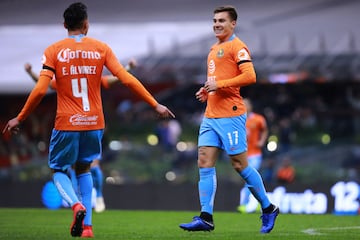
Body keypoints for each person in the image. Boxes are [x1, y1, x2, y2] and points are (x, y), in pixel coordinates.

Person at [3, 2, 174, 238]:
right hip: (95, 123)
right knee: (84, 168)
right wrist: (155, 104)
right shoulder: (101, 48)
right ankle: (88, 228)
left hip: (67, 123)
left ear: (64, 25)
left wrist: (20, 117)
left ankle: (76, 205)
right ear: (86, 24)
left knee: (58, 169)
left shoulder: (54, 50)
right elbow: (126, 79)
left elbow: (41, 90)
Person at [179, 5, 279, 234]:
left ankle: (269, 208)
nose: (216, 24)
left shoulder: (238, 47)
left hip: (231, 115)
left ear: (233, 23)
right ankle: (206, 217)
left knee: (239, 165)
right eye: (214, 20)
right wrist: (208, 92)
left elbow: (250, 76)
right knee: (204, 162)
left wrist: (219, 85)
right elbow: (217, 80)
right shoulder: (213, 50)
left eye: (221, 20)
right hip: (211, 115)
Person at [24, 59, 138, 213]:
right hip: (78, 127)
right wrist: (128, 68)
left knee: (92, 165)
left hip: (87, 126)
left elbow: (43, 83)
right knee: (74, 166)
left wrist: (128, 68)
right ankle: (78, 201)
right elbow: (117, 78)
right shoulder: (68, 82)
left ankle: (97, 196)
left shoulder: (89, 80)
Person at [237, 98, 268, 213]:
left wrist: (262, 141)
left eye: (246, 104)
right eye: (242, 104)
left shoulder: (258, 119)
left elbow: (265, 130)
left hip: (255, 154)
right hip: (242, 154)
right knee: (250, 179)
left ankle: (245, 204)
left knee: (250, 178)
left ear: (250, 106)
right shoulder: (237, 119)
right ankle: (260, 202)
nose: (244, 106)